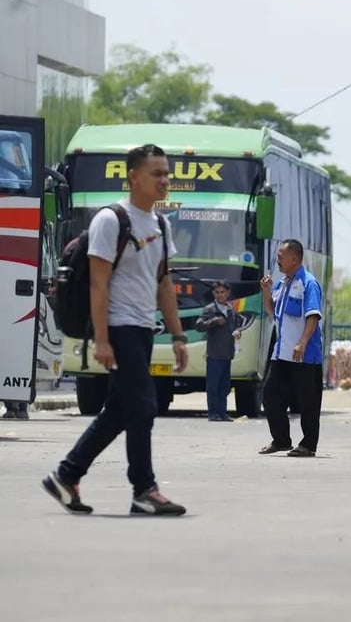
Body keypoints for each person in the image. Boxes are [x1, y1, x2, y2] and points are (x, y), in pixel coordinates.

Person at [42, 144, 188, 516]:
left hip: (142, 329)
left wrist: (178, 335)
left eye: (167, 173)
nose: (164, 180)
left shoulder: (160, 224)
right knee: (143, 406)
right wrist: (102, 338)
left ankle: (67, 474)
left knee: (120, 411)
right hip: (119, 327)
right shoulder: (111, 220)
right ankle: (145, 489)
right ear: (134, 177)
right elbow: (98, 284)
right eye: (157, 173)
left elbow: (163, 283)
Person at [258, 239, 324, 457]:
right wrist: (267, 290)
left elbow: (313, 316)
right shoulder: (282, 283)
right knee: (270, 395)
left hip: (305, 356)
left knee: (308, 403)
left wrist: (302, 342)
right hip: (282, 354)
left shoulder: (308, 283)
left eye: (281, 256)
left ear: (294, 258)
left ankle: (308, 445)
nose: (277, 260)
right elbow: (271, 311)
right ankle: (281, 439)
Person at [195, 280, 241, 422]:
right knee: (213, 386)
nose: (220, 295)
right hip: (214, 353)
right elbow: (199, 325)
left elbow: (235, 325)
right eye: (217, 292)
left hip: (227, 353)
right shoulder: (210, 309)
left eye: (223, 292)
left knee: (225, 386)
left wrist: (238, 332)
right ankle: (213, 413)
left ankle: (223, 412)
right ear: (213, 294)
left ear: (227, 293)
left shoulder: (230, 309)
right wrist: (214, 321)